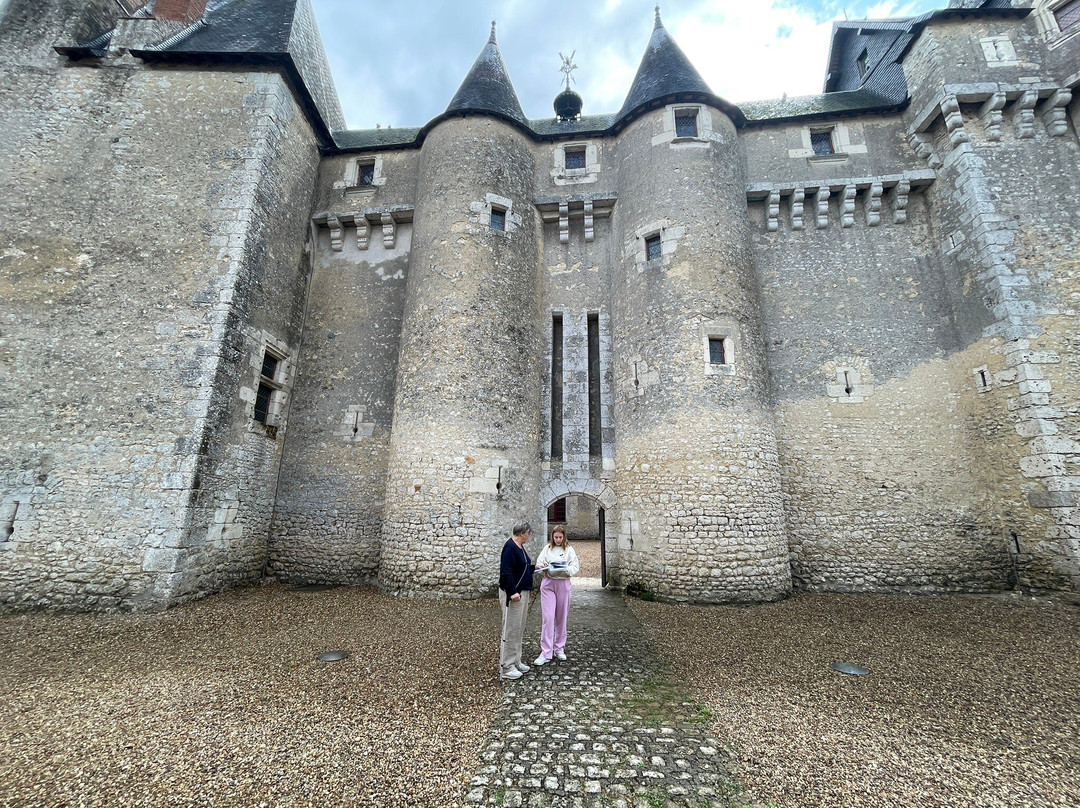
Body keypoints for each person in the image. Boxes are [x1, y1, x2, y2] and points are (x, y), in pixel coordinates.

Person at [533, 524, 579, 666]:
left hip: (563, 584)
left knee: (561, 616)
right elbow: (539, 563)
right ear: (552, 537)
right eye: (556, 537)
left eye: (560, 537)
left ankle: (559, 648)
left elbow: (575, 567)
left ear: (564, 537)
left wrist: (566, 570)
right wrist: (542, 567)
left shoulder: (569, 550)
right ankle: (546, 651)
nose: (558, 539)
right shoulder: (547, 549)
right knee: (548, 617)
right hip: (549, 583)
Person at [498, 521, 535, 680]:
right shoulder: (510, 547)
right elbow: (506, 572)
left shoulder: (520, 546)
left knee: (519, 627)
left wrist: (536, 567)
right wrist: (512, 592)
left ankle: (516, 660)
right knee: (511, 628)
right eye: (528, 533)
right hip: (513, 594)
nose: (529, 536)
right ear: (522, 533)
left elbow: (523, 566)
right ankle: (507, 666)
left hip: (523, 591)